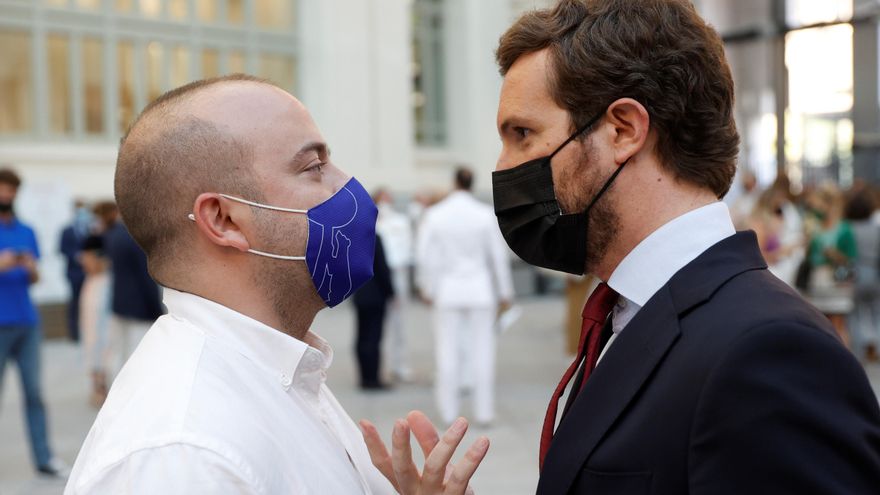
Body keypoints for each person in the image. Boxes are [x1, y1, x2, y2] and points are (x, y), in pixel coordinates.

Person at [364, 0, 880, 492]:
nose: (503, 166)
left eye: (523, 133)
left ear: (623, 130)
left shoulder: (767, 354)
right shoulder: (633, 311)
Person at [65, 75, 486, 495]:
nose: (346, 184)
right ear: (223, 220)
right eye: (313, 167)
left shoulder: (275, 370)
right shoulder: (188, 455)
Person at [415, 167, 514, 427]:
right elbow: (498, 256)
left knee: (446, 351)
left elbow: (425, 255)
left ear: (454, 182)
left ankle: (448, 411)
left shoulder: (436, 214)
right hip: (480, 289)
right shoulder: (484, 214)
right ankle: (484, 411)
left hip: (448, 289)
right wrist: (505, 291)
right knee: (483, 351)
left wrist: (426, 287)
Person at [0, 168, 68, 477]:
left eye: (11, 190)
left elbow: (36, 278)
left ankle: (44, 458)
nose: (7, 195)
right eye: (3, 189)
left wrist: (29, 267)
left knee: (35, 394)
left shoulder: (26, 230)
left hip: (27, 322)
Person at [102, 201, 164, 377]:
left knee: (118, 352)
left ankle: (114, 387)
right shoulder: (136, 237)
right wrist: (157, 310)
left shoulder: (114, 234)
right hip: (140, 307)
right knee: (137, 353)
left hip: (119, 302)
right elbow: (146, 277)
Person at [374, 188, 414, 381]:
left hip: (398, 274)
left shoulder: (401, 221)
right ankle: (382, 366)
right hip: (378, 277)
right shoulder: (372, 222)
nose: (385, 202)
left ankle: (400, 365)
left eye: (387, 198)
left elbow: (407, 249)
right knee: (379, 324)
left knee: (399, 324)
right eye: (381, 198)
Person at [352, 234, 395, 390]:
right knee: (373, 338)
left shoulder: (355, 238)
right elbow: (382, 268)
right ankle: (373, 379)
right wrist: (391, 292)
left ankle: (364, 377)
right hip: (376, 295)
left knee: (362, 336)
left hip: (359, 293)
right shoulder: (375, 238)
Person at [845, 187, 880, 361]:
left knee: (856, 314)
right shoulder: (876, 229)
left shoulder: (848, 229)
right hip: (874, 273)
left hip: (855, 275)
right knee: (876, 312)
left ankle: (859, 351)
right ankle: (877, 346)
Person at [59, 200, 92, 341]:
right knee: (75, 302)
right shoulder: (67, 230)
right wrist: (76, 256)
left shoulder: (90, 229)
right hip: (74, 272)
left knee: (89, 302)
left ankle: (87, 330)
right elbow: (62, 248)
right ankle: (74, 332)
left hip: (90, 272)